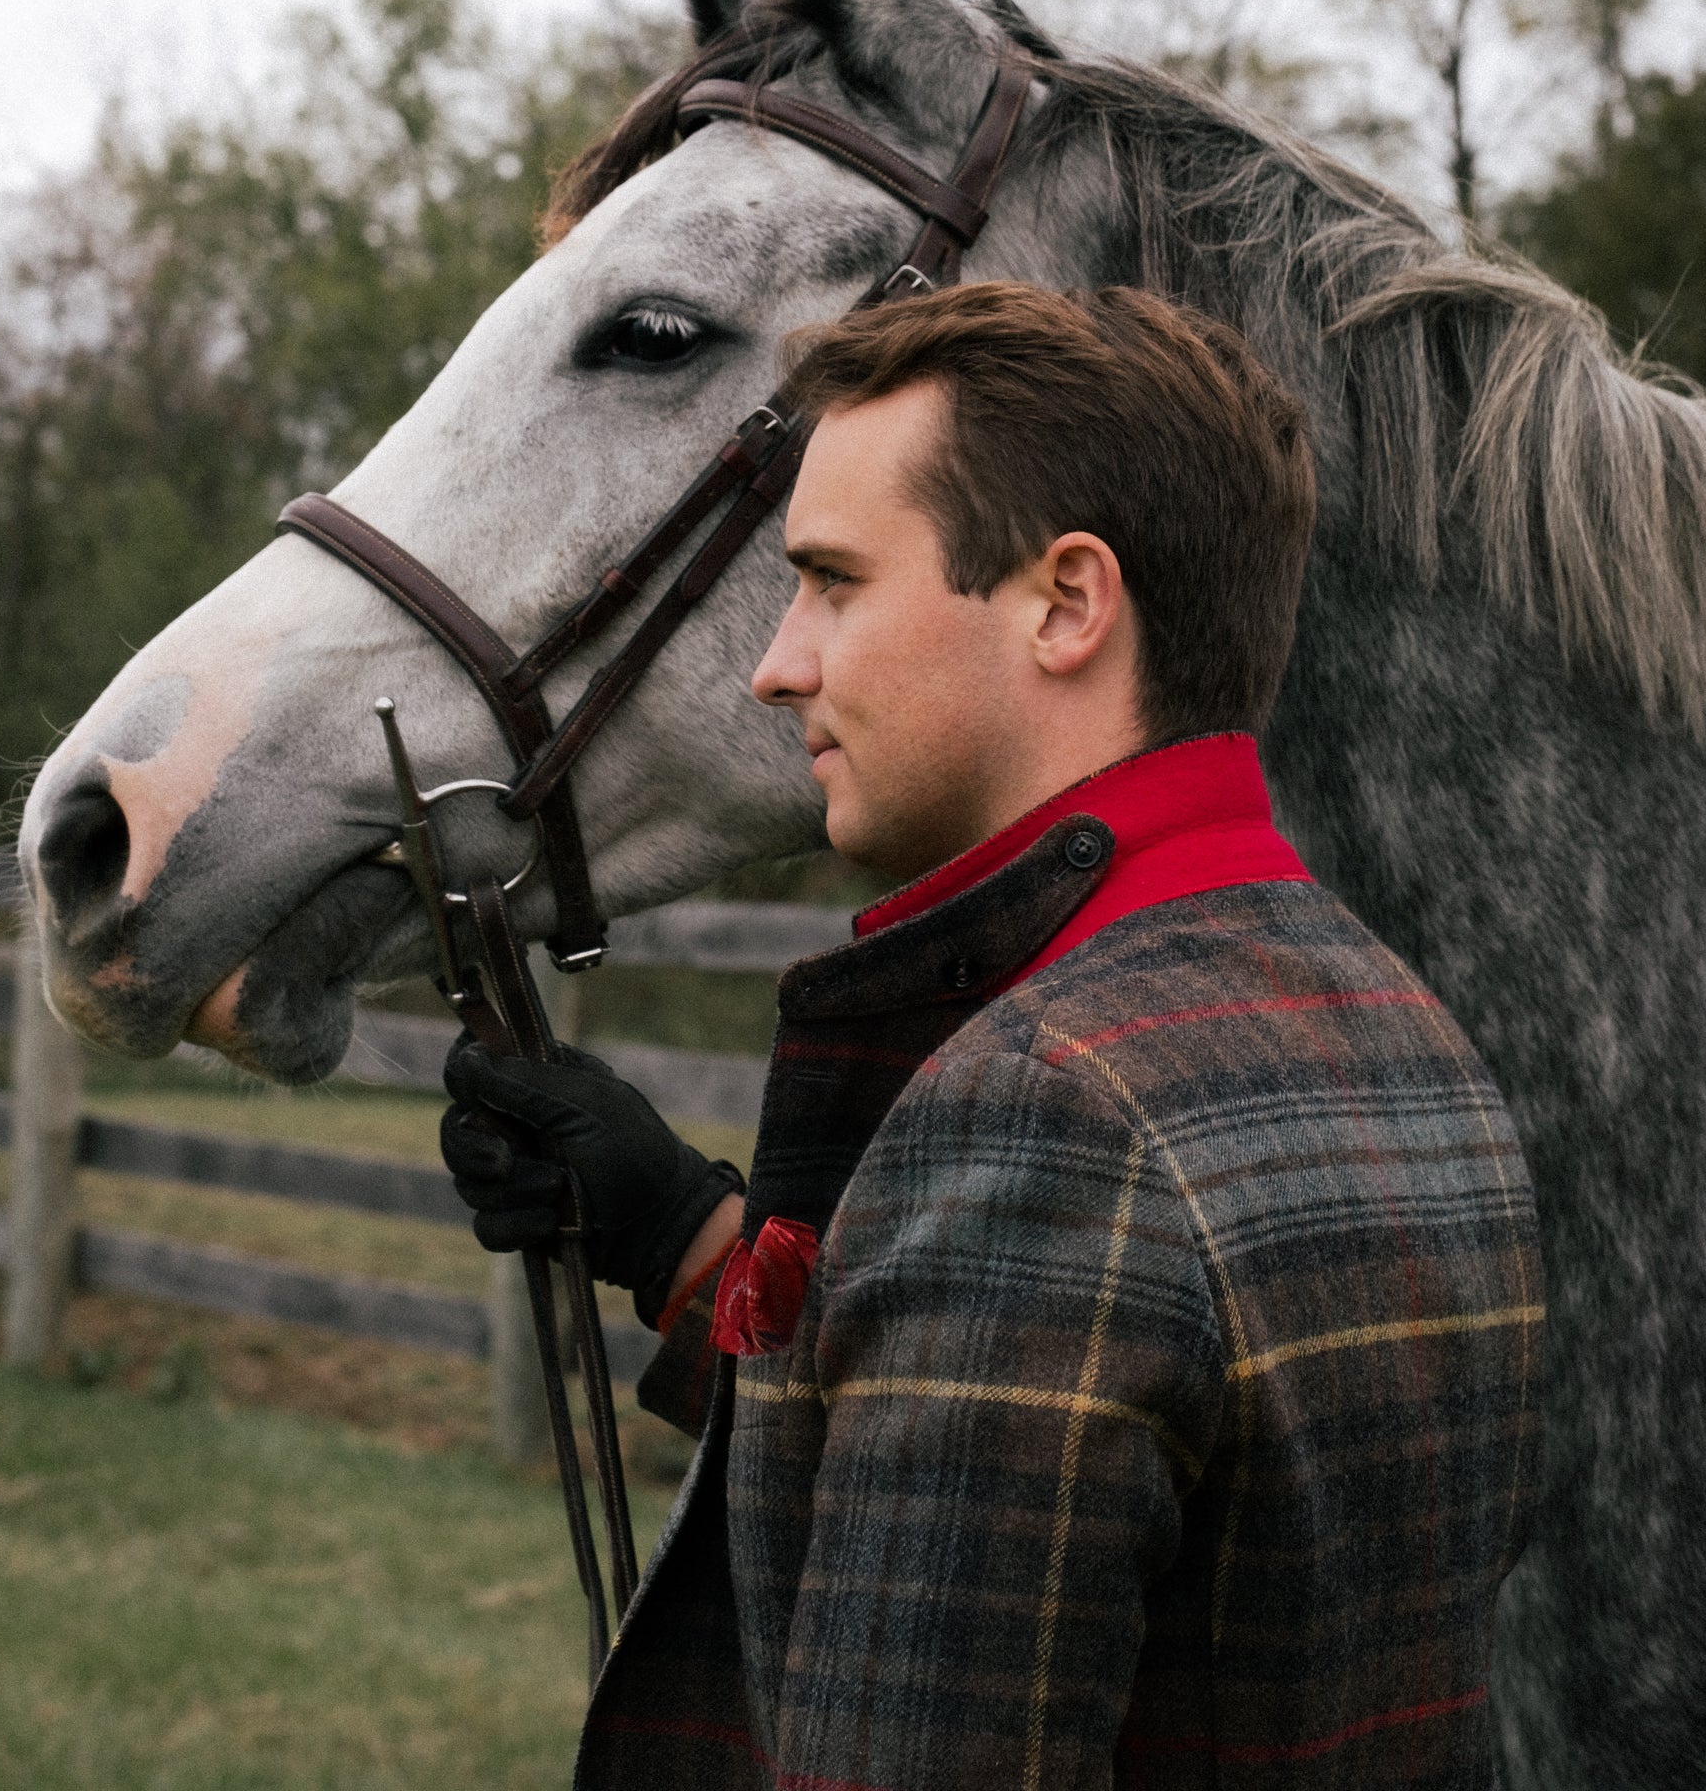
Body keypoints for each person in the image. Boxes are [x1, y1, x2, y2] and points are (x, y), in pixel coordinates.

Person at [441, 281, 1543, 1788]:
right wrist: (696, 1251)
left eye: (832, 581)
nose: (779, 663)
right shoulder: (1412, 1036)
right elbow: (1078, 1517)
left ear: (1065, 603)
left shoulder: (1050, 1114)